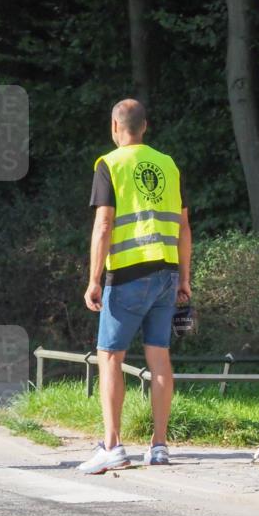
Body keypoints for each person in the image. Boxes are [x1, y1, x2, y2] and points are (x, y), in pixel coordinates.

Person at [78, 99, 192, 474]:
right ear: (145, 126)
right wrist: (185, 279)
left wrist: (94, 279)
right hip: (167, 272)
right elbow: (184, 227)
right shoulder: (169, 164)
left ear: (115, 126)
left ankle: (112, 446)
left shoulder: (109, 164)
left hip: (127, 274)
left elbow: (104, 225)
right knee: (159, 357)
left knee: (110, 356)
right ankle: (159, 446)